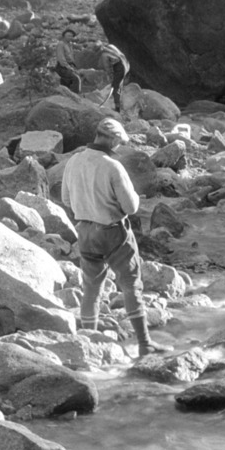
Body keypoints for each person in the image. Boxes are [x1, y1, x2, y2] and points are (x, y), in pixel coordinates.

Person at [59, 117, 154, 355]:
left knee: (91, 289)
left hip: (85, 232)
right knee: (131, 285)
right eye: (119, 143)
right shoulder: (113, 166)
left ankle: (87, 344)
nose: (118, 147)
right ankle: (145, 345)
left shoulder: (73, 161)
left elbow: (66, 200)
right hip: (114, 233)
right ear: (112, 140)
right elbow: (131, 208)